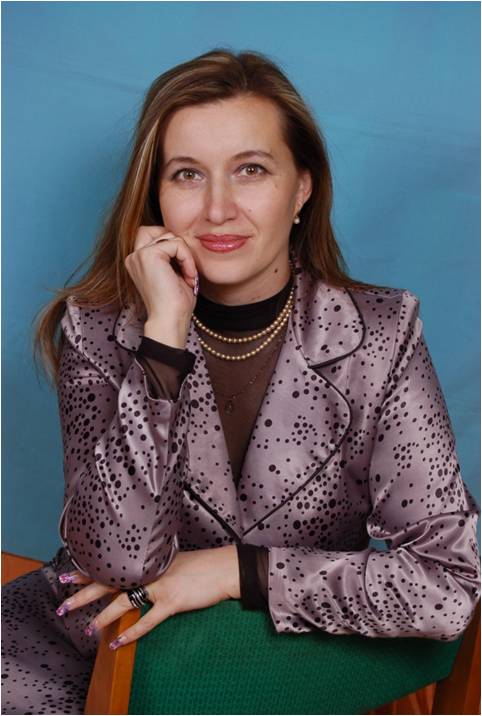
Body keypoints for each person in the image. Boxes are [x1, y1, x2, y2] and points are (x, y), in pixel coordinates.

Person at [2, 47, 480, 715]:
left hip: (271, 656)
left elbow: (448, 585)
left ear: (302, 188)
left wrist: (238, 570)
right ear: (155, 195)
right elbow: (117, 561)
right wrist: (163, 336)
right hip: (90, 637)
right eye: (187, 175)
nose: (217, 209)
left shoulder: (380, 333)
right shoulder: (97, 328)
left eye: (250, 170)